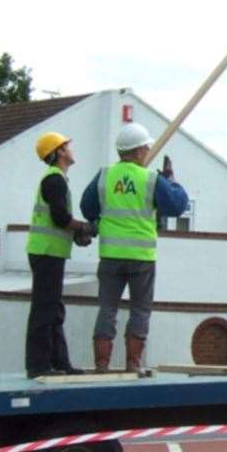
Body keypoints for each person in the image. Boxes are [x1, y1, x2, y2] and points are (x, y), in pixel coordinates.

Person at [80, 123, 188, 375]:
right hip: (141, 257)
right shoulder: (150, 178)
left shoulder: (104, 175)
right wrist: (171, 180)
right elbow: (177, 205)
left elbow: (87, 208)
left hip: (110, 257)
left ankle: (102, 365)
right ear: (139, 151)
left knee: (107, 308)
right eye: (146, 147)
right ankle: (133, 364)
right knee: (140, 309)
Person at [25, 131, 96, 378]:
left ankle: (60, 363)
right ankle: (38, 366)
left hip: (48, 252)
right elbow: (60, 217)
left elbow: (59, 220)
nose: (70, 148)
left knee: (53, 309)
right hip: (46, 253)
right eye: (66, 145)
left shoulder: (57, 180)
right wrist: (83, 228)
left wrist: (76, 234)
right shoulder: (55, 180)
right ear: (58, 153)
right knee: (45, 309)